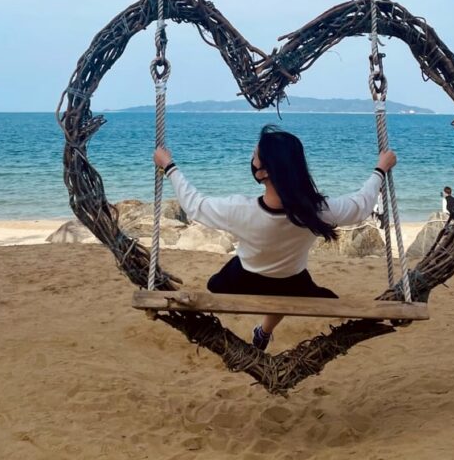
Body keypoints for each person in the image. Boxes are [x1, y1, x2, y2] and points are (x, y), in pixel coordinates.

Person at [153, 124, 395, 352]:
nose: (252, 158)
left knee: (215, 285)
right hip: (292, 281)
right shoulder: (317, 210)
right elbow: (361, 205)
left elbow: (194, 205)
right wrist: (380, 170)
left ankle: (263, 332)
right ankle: (264, 331)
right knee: (292, 291)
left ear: (265, 172)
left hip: (244, 278)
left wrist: (169, 165)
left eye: (255, 155)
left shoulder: (241, 210)